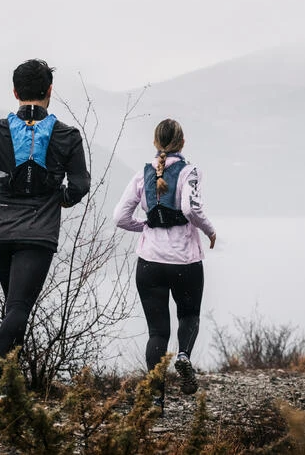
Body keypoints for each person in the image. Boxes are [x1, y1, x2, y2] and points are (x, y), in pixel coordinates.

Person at [0, 59, 90, 431]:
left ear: (15, 92)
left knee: (15, 310)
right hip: (37, 234)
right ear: (49, 91)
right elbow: (80, 185)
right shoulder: (66, 135)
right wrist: (60, 198)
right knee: (18, 308)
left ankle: (5, 395)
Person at [113, 118, 216, 410]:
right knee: (189, 315)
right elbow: (190, 208)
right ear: (182, 143)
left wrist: (145, 226)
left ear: (156, 143)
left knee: (157, 332)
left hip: (149, 264)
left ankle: (156, 398)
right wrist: (210, 231)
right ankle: (183, 356)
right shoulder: (189, 172)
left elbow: (119, 217)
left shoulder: (141, 174)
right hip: (185, 261)